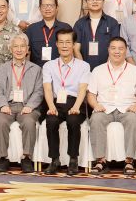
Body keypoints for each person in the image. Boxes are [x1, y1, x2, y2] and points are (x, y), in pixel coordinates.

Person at [0, 35, 42, 173]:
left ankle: (26, 158)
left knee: (29, 122)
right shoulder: (0, 69)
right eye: (16, 46)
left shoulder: (36, 69)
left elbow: (39, 91)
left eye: (22, 46)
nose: (19, 49)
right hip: (7, 105)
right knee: (1, 122)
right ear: (10, 49)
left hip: (27, 106)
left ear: (27, 49)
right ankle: (3, 158)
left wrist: (30, 106)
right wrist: (3, 105)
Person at [43, 27, 92, 174]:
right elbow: (47, 89)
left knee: (73, 121)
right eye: (61, 42)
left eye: (68, 42)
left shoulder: (83, 66)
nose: (64, 46)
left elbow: (82, 89)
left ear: (73, 45)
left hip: (75, 102)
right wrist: (51, 106)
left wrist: (76, 107)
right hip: (56, 102)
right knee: (51, 121)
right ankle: (54, 159)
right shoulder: (49, 66)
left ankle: (73, 159)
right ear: (56, 44)